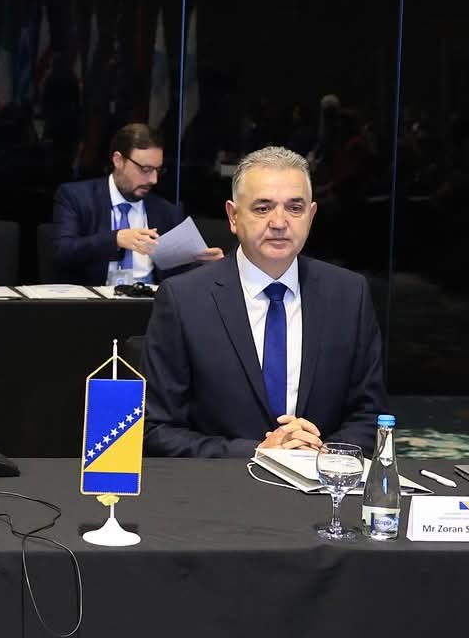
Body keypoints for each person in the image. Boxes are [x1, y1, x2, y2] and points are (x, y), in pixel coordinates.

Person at [145, 146, 387, 458]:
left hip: (321, 480)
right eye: (263, 208)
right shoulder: (183, 300)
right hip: (221, 483)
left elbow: (370, 415)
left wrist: (323, 454)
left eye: (295, 208)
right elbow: (156, 429)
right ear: (233, 216)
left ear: (311, 215)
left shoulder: (349, 294)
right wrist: (258, 451)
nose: (279, 222)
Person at [52, 122, 223, 286]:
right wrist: (116, 239)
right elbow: (63, 251)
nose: (153, 180)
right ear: (118, 160)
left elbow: (176, 272)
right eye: (145, 169)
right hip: (96, 301)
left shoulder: (166, 211)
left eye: (158, 170)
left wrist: (203, 266)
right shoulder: (77, 197)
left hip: (150, 300)